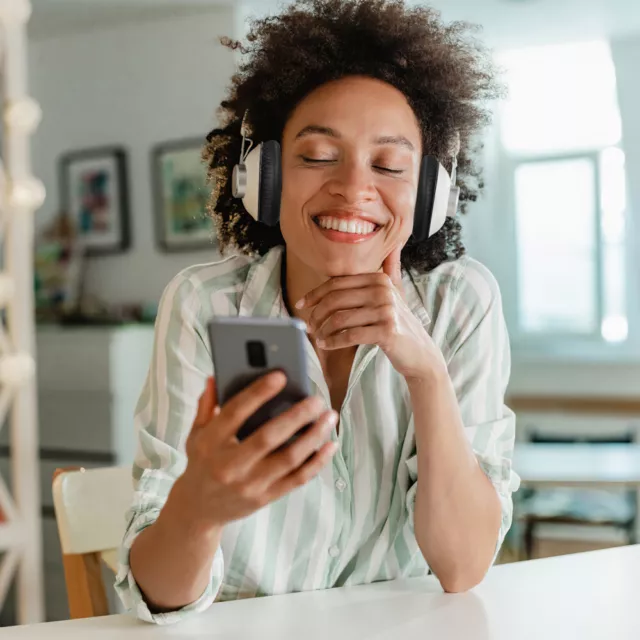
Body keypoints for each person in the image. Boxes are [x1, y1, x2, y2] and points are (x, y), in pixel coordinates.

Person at [115, 0, 519, 624]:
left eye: (389, 166)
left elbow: (462, 567)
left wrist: (426, 373)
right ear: (264, 178)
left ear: (430, 195)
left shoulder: (459, 303)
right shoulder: (206, 305)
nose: (355, 189)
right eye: (318, 155)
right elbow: (159, 599)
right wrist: (198, 506)